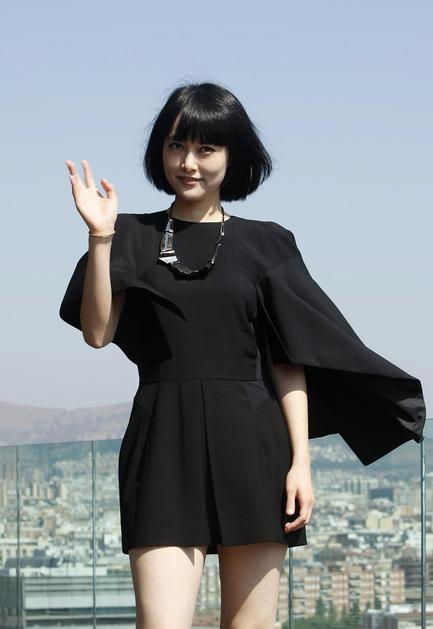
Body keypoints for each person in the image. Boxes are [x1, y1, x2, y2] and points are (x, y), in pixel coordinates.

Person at [59, 81, 426, 629]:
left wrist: (300, 464)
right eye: (176, 146)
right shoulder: (128, 235)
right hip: (163, 442)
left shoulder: (267, 242)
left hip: (253, 444)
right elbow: (97, 332)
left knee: (250, 625)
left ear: (233, 156)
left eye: (205, 149)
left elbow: (288, 361)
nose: (188, 163)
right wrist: (100, 238)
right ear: (160, 151)